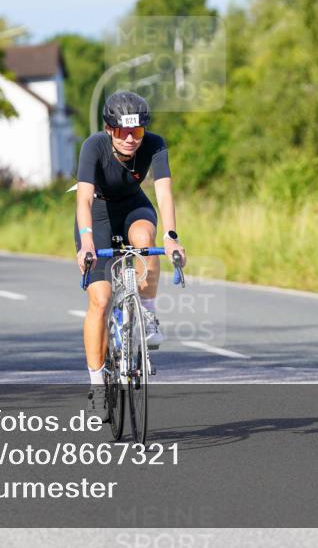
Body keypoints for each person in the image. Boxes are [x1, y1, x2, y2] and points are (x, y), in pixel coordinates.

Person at [74, 91, 187, 417]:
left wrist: (172, 237)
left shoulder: (154, 144)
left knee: (145, 237)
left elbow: (163, 192)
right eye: (122, 131)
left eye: (136, 132)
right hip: (97, 215)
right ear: (109, 129)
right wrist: (87, 244)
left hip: (134, 207)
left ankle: (147, 313)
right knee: (101, 299)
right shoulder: (93, 147)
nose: (129, 139)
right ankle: (97, 384)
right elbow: (82, 200)